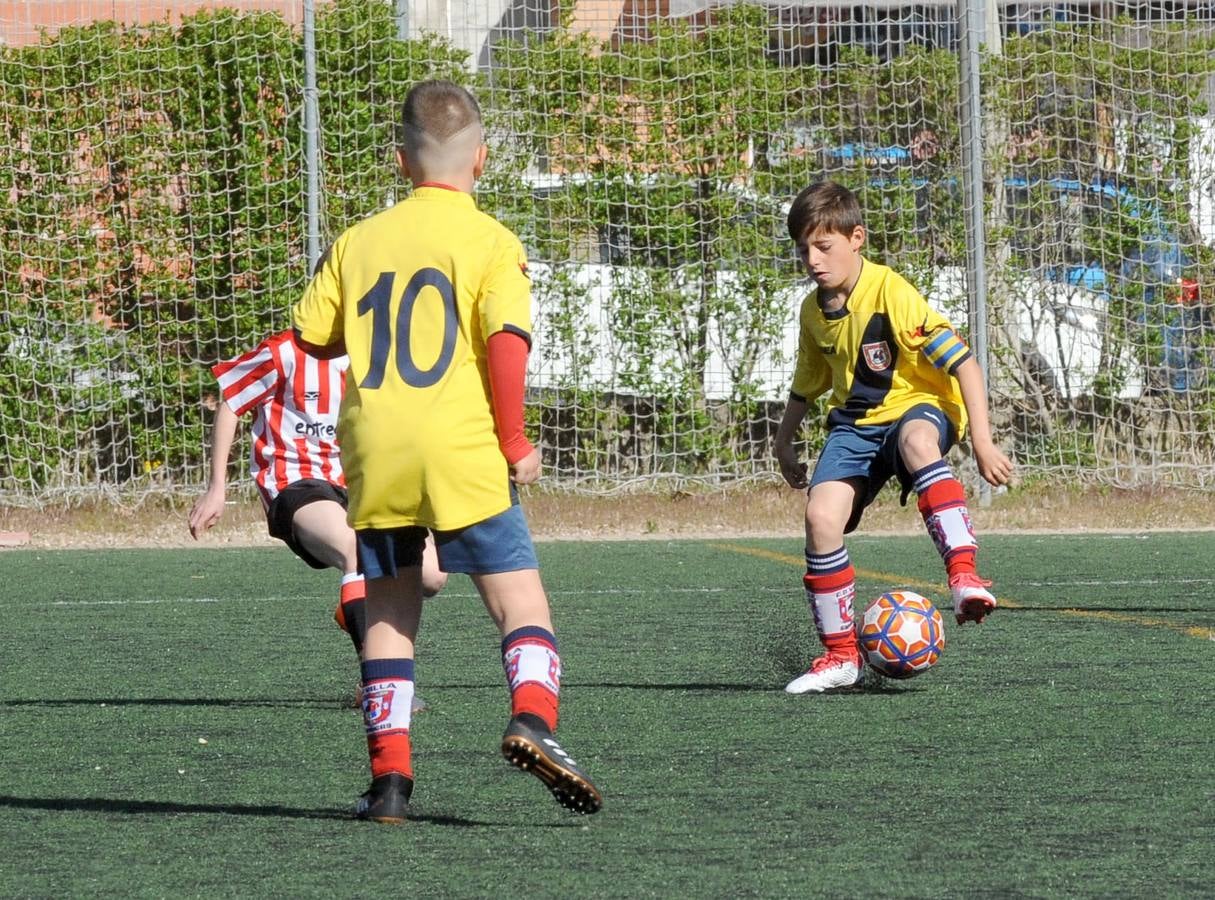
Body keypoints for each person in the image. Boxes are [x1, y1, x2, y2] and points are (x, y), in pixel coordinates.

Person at [291, 79, 602, 823]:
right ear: (482, 160)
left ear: (401, 162)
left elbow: (310, 334)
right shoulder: (492, 241)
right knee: (518, 600)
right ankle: (532, 719)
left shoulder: (359, 240)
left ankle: (390, 785)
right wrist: (515, 439)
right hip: (459, 447)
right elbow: (505, 341)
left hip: (378, 450)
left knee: (390, 611)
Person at [772, 181, 1014, 695]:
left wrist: (984, 442)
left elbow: (966, 365)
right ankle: (841, 656)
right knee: (820, 517)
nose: (813, 260)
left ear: (856, 238)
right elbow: (807, 382)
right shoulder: (812, 311)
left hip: (918, 406)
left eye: (824, 246)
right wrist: (784, 441)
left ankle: (965, 576)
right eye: (804, 250)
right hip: (855, 424)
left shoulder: (892, 292)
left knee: (919, 443)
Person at [187, 329, 448, 663]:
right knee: (357, 546)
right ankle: (376, 678)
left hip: (357, 484)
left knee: (432, 574)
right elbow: (231, 403)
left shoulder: (374, 352)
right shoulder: (283, 352)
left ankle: (354, 606)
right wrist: (216, 489)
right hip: (294, 482)